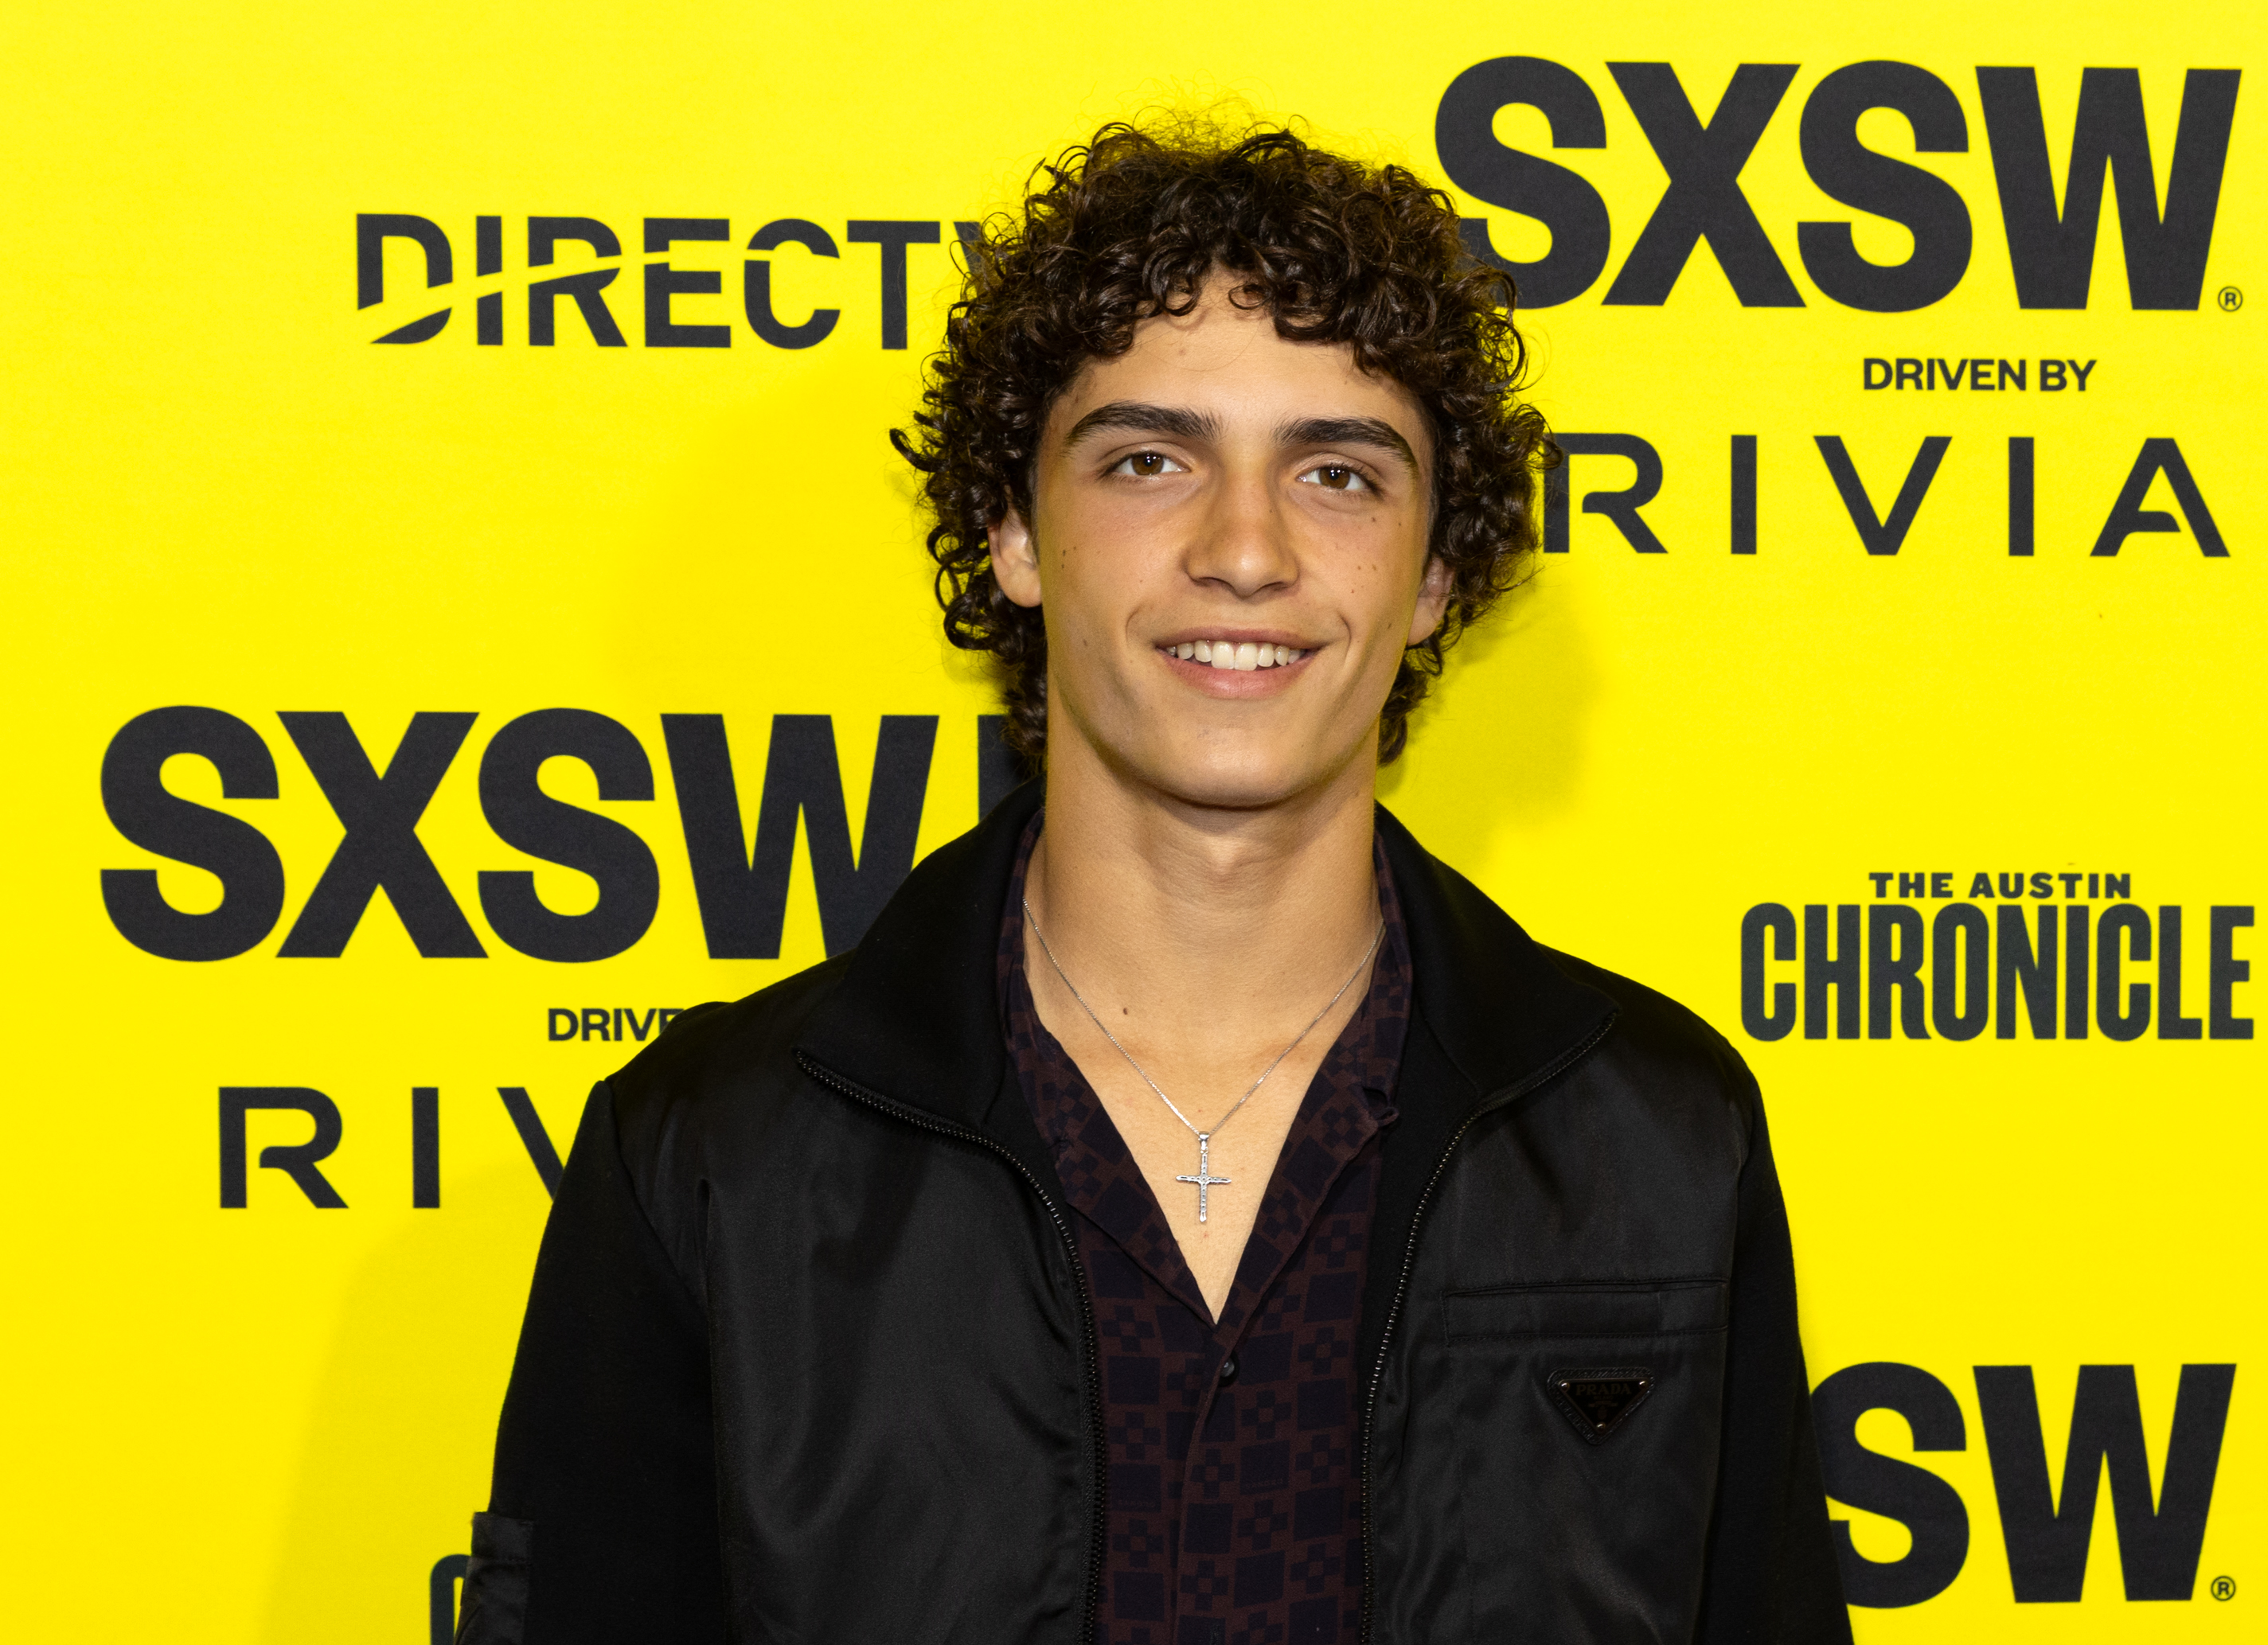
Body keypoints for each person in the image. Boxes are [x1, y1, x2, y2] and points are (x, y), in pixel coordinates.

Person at [456, 117, 1851, 1645]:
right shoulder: (713, 1156)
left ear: (1437, 567)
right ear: (1012, 533)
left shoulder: (1652, 1138)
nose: (1244, 550)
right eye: (1147, 459)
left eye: (1336, 472)